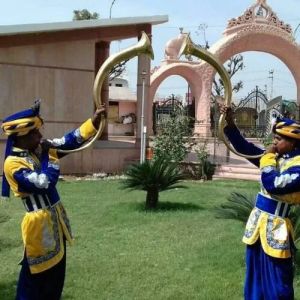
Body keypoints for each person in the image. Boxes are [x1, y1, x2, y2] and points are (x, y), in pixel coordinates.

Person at [1, 100, 105, 300]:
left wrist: (92, 123)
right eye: (36, 133)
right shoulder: (12, 163)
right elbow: (44, 182)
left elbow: (69, 141)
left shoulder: (38, 151)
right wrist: (50, 156)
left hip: (56, 227)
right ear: (22, 137)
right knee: (33, 286)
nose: (41, 137)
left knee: (54, 285)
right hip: (39, 232)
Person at [220, 104, 300, 300]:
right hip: (258, 228)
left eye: (279, 139)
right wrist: (230, 124)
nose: (274, 142)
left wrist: (268, 158)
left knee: (278, 284)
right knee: (254, 279)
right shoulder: (276, 158)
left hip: (277, 232)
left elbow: (272, 184)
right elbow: (245, 149)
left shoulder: (296, 166)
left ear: (293, 143)